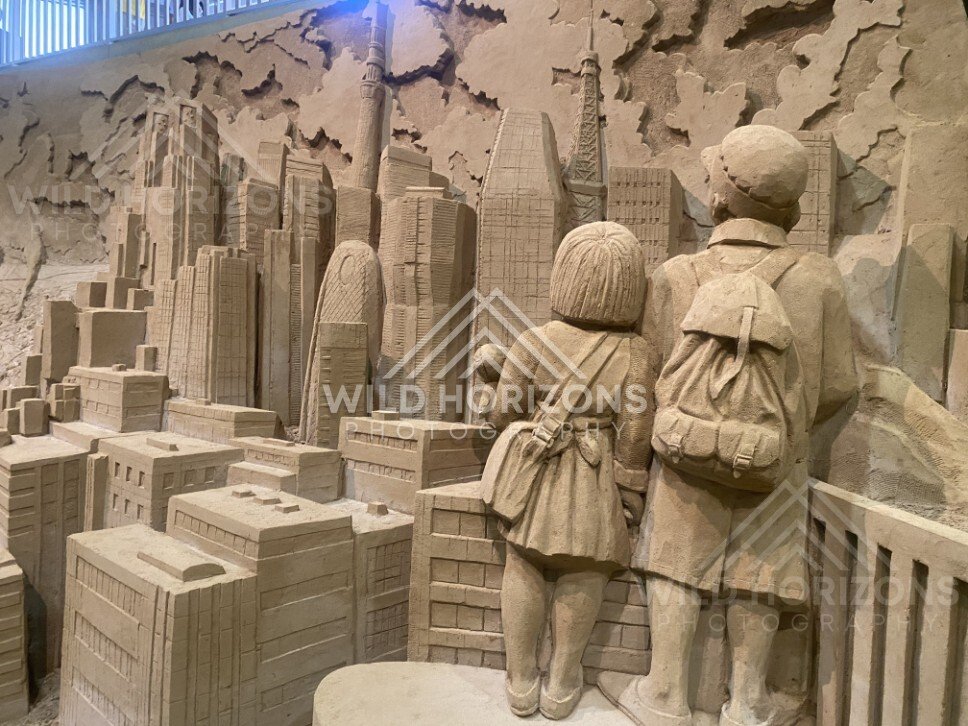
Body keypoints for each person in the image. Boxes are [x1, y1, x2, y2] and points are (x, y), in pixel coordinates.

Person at [598, 125, 857, 726]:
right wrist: (782, 427)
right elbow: (840, 383)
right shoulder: (819, 279)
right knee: (760, 573)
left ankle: (663, 696)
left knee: (673, 566)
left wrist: (635, 463)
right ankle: (747, 702)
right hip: (773, 459)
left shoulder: (675, 275)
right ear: (790, 206)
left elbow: (646, 381)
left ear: (719, 195)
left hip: (685, 456)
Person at [482, 222, 653, 720]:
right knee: (584, 571)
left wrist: (488, 383)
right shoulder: (637, 353)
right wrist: (630, 491)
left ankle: (520, 679)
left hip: (539, 470)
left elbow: (503, 415)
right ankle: (562, 682)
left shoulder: (534, 341)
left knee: (525, 564)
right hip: (594, 473)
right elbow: (636, 435)